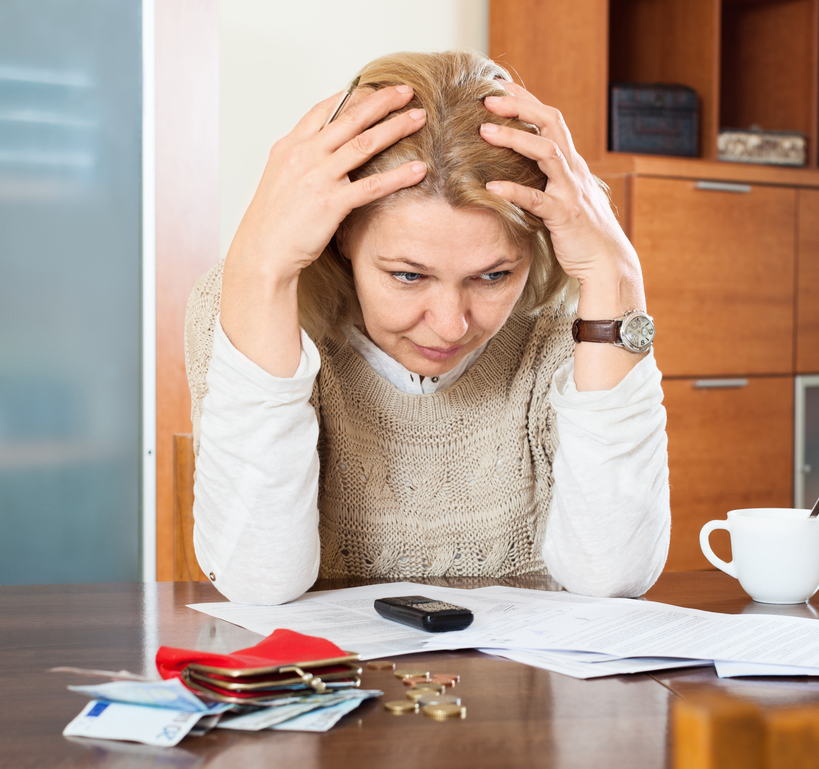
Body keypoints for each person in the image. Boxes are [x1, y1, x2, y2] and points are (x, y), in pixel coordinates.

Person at [185, 50, 670, 605]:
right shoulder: (250, 297)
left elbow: (614, 578)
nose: (450, 325)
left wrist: (618, 272)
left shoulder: (574, 328)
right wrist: (260, 269)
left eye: (493, 275)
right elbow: (258, 579)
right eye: (408, 275)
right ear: (341, 236)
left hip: (524, 687)